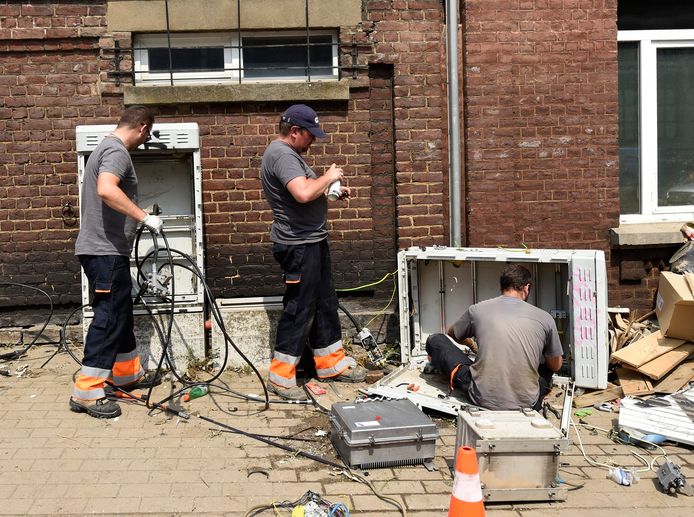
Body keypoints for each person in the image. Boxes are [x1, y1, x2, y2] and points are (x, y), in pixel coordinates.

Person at [261, 104, 367, 400]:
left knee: (324, 303)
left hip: (312, 241)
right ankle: (281, 378)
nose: (313, 141)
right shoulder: (281, 155)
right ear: (294, 131)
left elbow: (309, 189)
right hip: (298, 245)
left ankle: (331, 365)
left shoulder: (290, 155)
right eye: (310, 135)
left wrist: (333, 190)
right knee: (300, 309)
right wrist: (330, 176)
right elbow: (304, 193)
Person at [71, 105, 163, 419]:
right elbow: (106, 189)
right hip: (104, 251)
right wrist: (144, 217)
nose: (146, 138)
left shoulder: (104, 148)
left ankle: (125, 376)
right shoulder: (117, 151)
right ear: (143, 126)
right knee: (109, 316)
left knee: (119, 312)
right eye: (148, 133)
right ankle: (87, 390)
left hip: (106, 250)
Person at [425, 264, 563, 411]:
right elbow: (556, 366)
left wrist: (472, 344)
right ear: (526, 287)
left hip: (481, 398)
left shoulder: (478, 310)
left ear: (502, 286)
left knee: (436, 340)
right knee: (549, 365)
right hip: (528, 403)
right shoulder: (545, 318)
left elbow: (452, 333)